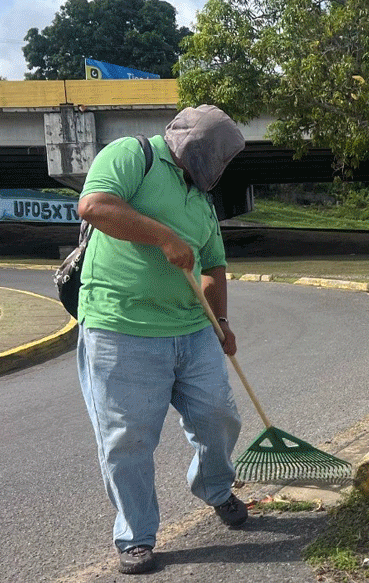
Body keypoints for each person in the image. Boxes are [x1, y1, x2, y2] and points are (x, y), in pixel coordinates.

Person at [76, 105, 248, 575]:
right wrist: (163, 236)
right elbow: (94, 206)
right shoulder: (132, 156)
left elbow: (213, 266)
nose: (223, 166)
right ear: (199, 146)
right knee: (127, 439)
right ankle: (135, 537)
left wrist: (222, 322)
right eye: (221, 156)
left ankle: (214, 488)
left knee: (219, 416)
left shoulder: (202, 200)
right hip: (120, 327)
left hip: (192, 331)